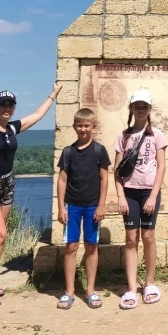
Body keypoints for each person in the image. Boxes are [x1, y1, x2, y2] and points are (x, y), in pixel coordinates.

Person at [0, 84, 61, 306]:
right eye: (2, 104)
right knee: (0, 234)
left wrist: (52, 96)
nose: (6, 108)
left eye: (10, 104)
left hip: (7, 183)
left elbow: (37, 115)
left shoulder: (12, 129)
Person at [113, 88, 167, 309]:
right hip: (130, 193)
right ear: (132, 109)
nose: (141, 110)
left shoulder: (157, 135)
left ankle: (151, 283)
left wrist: (153, 196)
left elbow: (162, 166)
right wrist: (120, 196)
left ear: (150, 109)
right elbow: (117, 170)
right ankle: (131, 288)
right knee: (131, 239)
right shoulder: (123, 137)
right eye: (137, 106)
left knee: (148, 237)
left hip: (148, 192)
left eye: (144, 106)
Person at [55, 107, 111, 310]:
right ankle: (69, 292)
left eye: (87, 125)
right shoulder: (68, 152)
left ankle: (90, 290)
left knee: (91, 247)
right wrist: (61, 207)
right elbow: (62, 180)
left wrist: (102, 205)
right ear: (74, 127)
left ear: (93, 127)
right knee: (71, 247)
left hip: (92, 206)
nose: (83, 129)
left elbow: (104, 178)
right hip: (72, 205)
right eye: (79, 125)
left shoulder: (99, 151)